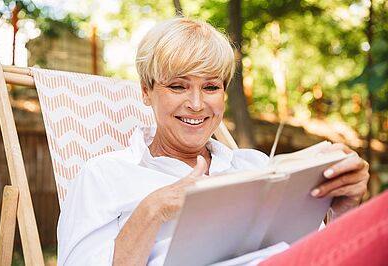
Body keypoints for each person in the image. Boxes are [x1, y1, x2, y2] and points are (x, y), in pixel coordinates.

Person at [57, 17, 370, 265]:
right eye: (178, 86)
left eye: (210, 87)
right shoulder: (104, 175)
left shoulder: (255, 166)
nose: (196, 104)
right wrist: (153, 208)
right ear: (146, 91)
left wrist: (345, 209)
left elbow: (318, 253)